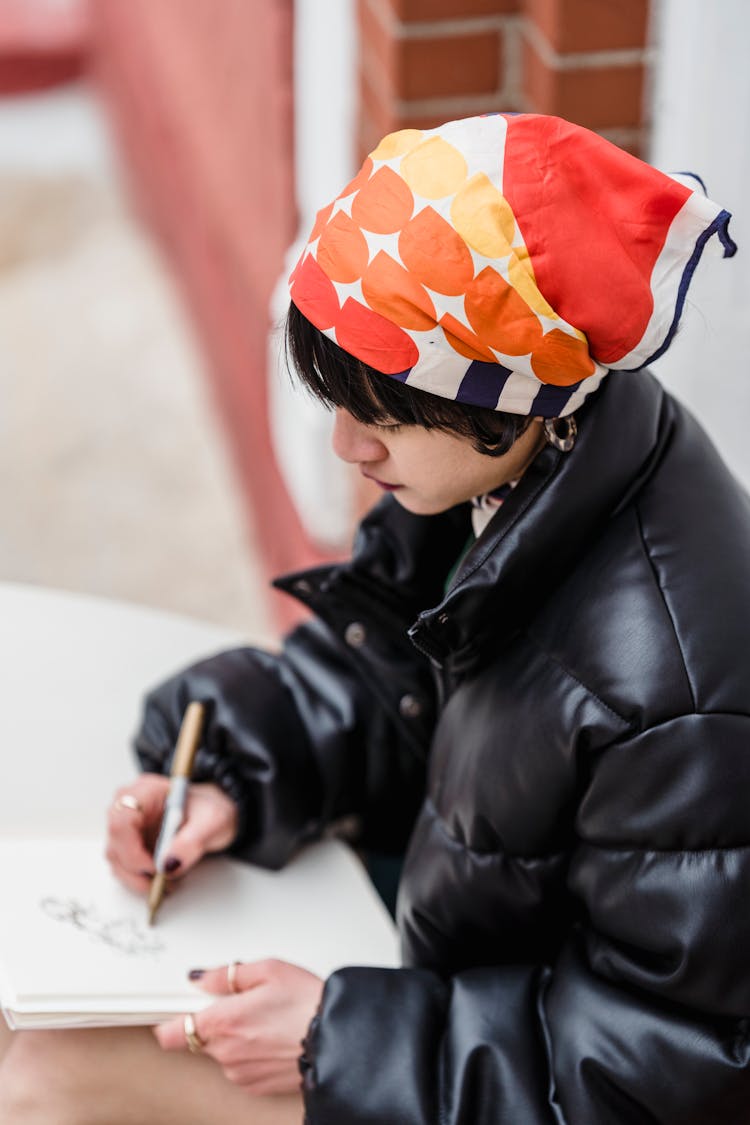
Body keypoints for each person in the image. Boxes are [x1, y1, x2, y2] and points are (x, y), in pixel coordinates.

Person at [1, 111, 747, 1123]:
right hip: (440, 965)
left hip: (470, 1051)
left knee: (46, 1071)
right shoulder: (514, 466)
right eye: (336, 402)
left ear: (505, 393)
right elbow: (394, 673)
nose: (349, 447)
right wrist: (237, 769)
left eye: (383, 412)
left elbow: (664, 1074)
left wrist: (334, 1041)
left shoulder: (680, 699)